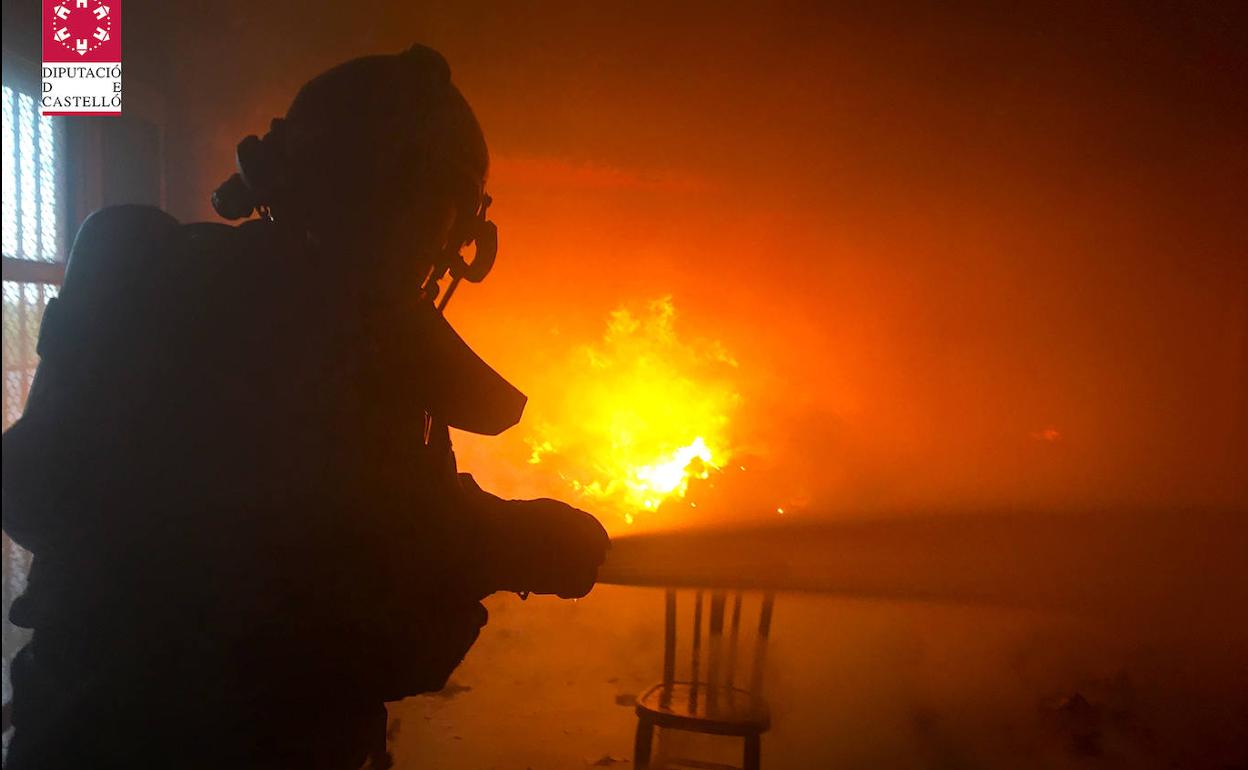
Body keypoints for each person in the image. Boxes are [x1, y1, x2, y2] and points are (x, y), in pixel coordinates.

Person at [1, 44, 609, 769]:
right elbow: (353, 566)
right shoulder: (364, 339)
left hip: (76, 728)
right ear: (437, 224)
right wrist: (513, 540)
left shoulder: (159, 275)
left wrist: (490, 533)